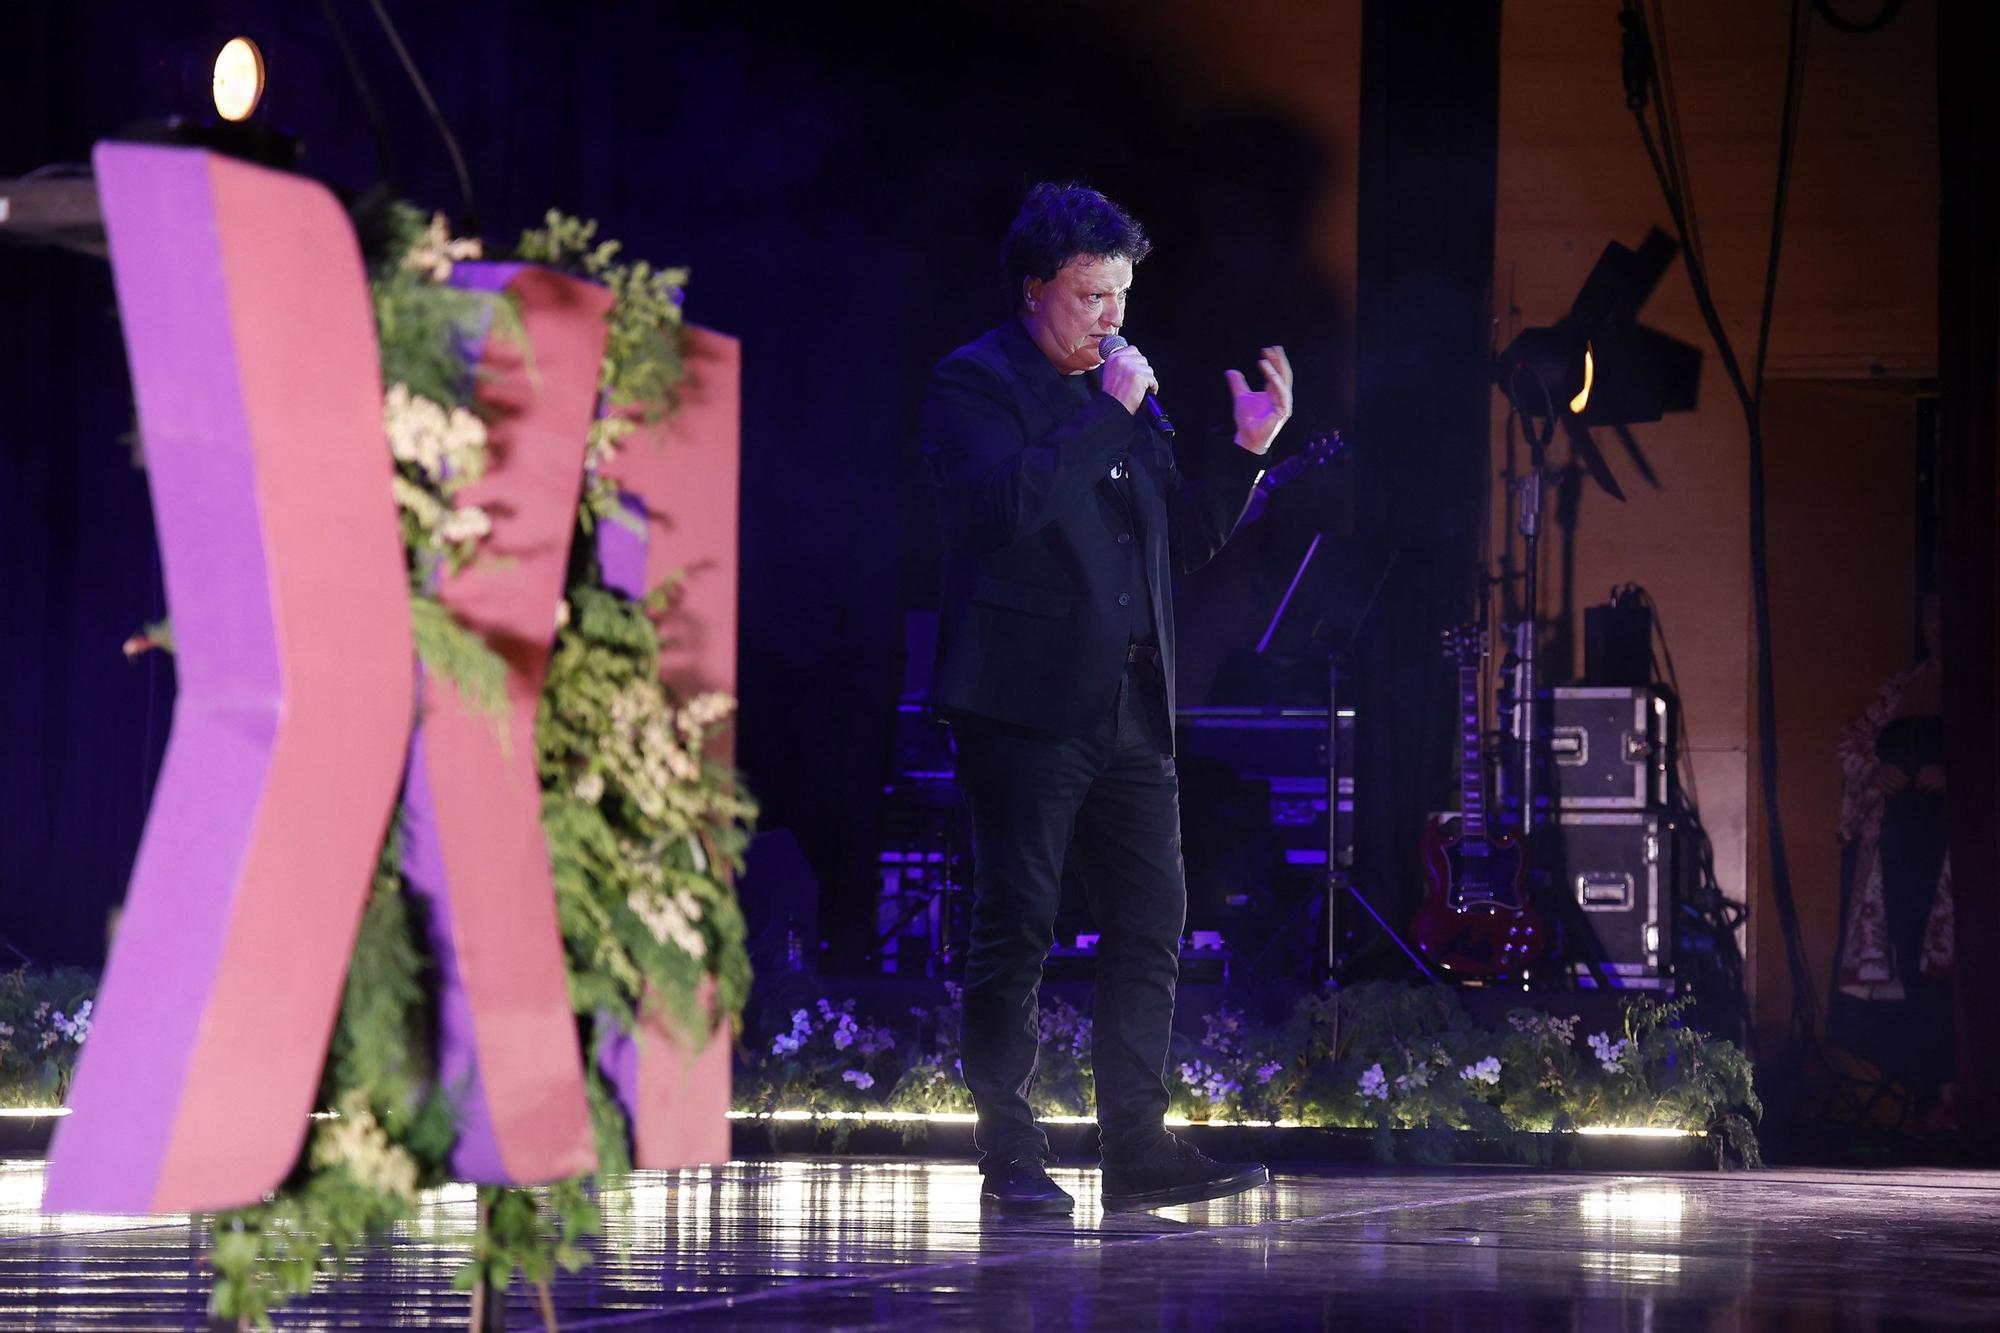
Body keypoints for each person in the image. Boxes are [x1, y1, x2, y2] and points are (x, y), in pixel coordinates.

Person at [921, 182, 1293, 1213]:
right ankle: (1008, 1153)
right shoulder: (973, 381)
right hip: (1021, 703)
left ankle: (1135, 1149)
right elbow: (995, 512)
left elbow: (1181, 540)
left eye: (1120, 295)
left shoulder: (1120, 394)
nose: (1110, 318)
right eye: (1089, 295)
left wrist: (1247, 453)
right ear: (1035, 286)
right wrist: (1105, 415)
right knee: (1019, 923)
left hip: (1131, 701)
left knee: (1149, 924)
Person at [1833, 593, 1955, 1131]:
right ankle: (1929, 1095)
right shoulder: (1901, 688)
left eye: (1947, 614)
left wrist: (1954, 774)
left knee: (1952, 969)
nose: (1937, 626)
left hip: (1958, 847)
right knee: (1907, 967)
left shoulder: (1985, 689)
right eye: (1930, 615)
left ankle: (1959, 1095)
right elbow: (1851, 747)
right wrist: (1877, 769)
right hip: (1901, 844)